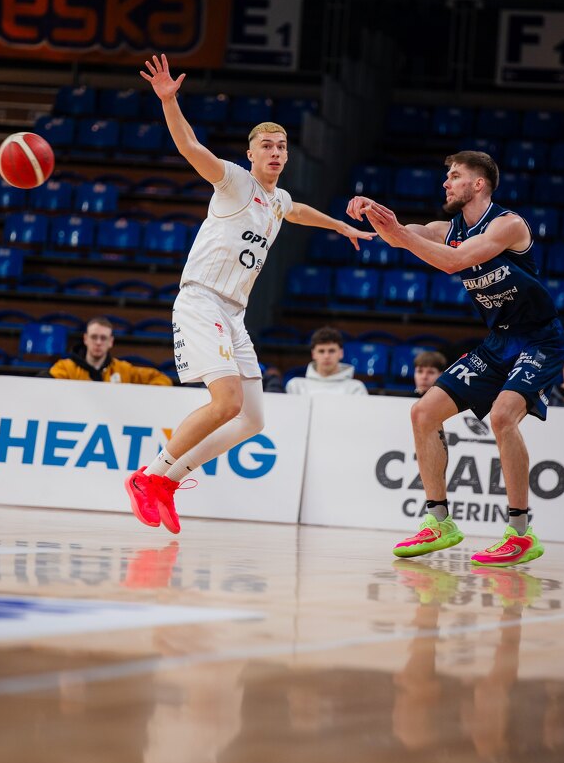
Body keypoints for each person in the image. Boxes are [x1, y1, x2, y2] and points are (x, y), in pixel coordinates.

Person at [125, 53, 370, 534]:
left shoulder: (277, 199)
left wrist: (340, 226)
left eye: (281, 147)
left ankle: (168, 481)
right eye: (266, 146)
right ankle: (149, 477)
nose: (275, 152)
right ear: (251, 154)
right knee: (226, 403)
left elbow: (296, 210)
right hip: (202, 299)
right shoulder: (235, 181)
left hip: (234, 313)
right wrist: (170, 102)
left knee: (252, 419)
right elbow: (190, 147)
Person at [348, 149, 564, 567]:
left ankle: (521, 533)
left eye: (454, 176)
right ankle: (438, 522)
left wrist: (400, 234)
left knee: (503, 416)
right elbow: (402, 234)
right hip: (499, 341)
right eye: (447, 176)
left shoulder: (508, 224)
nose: (446, 182)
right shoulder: (445, 228)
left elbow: (454, 262)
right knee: (423, 413)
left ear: (478, 184)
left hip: (539, 340)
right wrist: (373, 213)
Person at [48, 316, 172, 385]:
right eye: (94, 337)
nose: (98, 342)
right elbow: (45, 384)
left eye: (103, 338)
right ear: (85, 339)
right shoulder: (66, 368)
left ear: (111, 341)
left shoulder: (123, 369)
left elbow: (162, 380)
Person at [285, 326, 368, 396]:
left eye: (331, 351)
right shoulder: (296, 386)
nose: (326, 356)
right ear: (313, 354)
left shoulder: (355, 388)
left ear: (341, 353)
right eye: (321, 351)